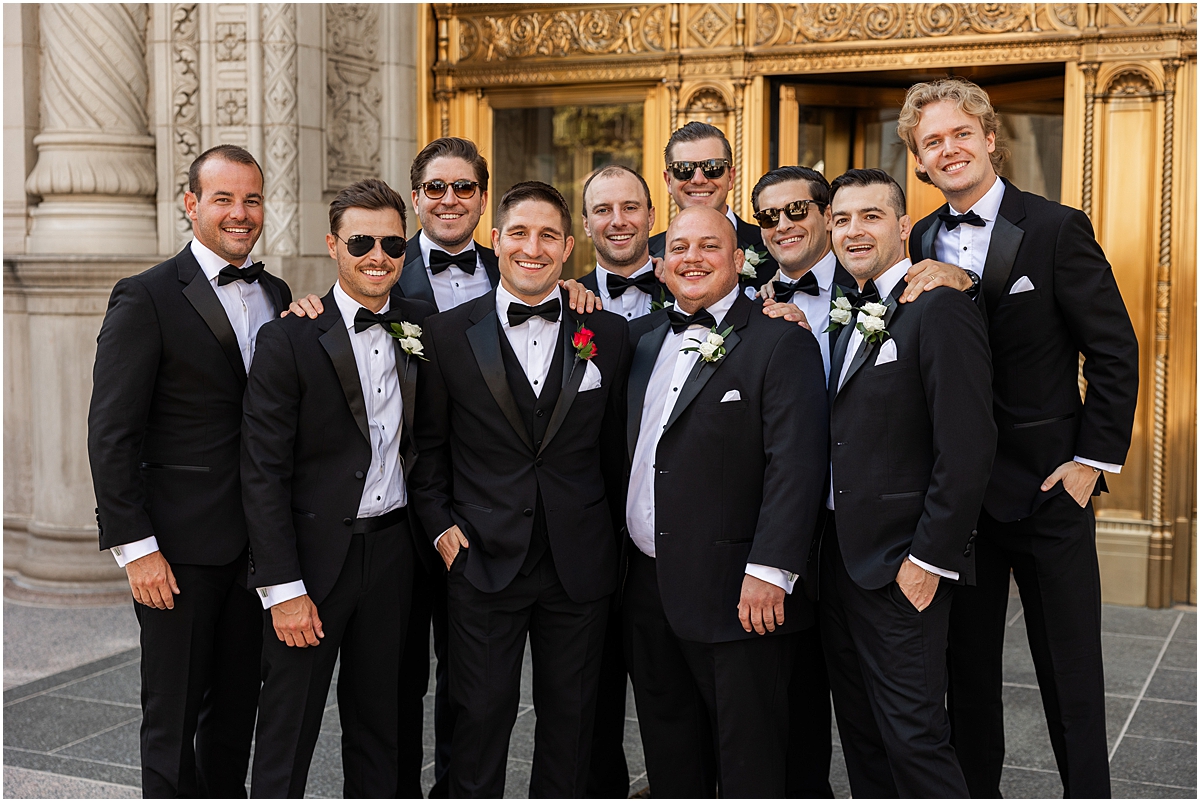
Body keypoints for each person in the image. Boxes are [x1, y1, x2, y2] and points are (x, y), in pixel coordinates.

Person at [899, 78, 1139, 798]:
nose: (949, 149)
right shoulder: (917, 237)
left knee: (1070, 675)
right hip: (961, 504)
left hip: (1047, 492)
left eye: (960, 134)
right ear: (918, 158)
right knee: (966, 679)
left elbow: (1114, 352)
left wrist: (1088, 466)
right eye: (932, 141)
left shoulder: (1058, 228)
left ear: (990, 137)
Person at [409, 181, 632, 797]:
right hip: (481, 555)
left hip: (579, 562)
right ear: (496, 240)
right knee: (478, 719)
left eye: (548, 236)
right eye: (519, 233)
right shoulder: (447, 334)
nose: (532, 247)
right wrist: (440, 529)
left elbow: (616, 449)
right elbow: (427, 448)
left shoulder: (607, 334)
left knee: (573, 723)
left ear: (568, 248)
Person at [88, 144, 291, 797]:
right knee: (171, 723)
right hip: (175, 553)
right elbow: (112, 433)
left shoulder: (277, 293)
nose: (240, 213)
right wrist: (137, 550)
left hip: (255, 549)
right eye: (224, 198)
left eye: (252, 199)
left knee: (234, 719)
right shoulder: (145, 297)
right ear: (191, 204)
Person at [622, 205, 828, 797]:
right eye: (680, 247)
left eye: (709, 247)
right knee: (669, 749)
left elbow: (797, 463)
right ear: (660, 265)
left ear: (739, 260)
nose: (693, 258)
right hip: (648, 586)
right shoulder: (641, 340)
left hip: (738, 591)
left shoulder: (779, 340)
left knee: (749, 759)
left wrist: (770, 569)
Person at [241, 179, 433, 797]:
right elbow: (262, 471)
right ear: (333, 245)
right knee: (287, 726)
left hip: (395, 553)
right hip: (312, 561)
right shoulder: (289, 337)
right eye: (361, 242)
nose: (378, 256)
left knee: (385, 722)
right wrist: (282, 587)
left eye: (392, 243)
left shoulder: (426, 328)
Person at [820, 168, 995, 797]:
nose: (853, 230)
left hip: (903, 565)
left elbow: (968, 448)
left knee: (916, 739)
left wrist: (929, 559)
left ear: (902, 226)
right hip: (841, 562)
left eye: (870, 216)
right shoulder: (852, 308)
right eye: (841, 220)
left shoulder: (940, 309)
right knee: (863, 736)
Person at [750, 165, 855, 798]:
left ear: (825, 215)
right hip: (771, 523)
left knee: (872, 699)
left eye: (798, 211)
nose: (784, 225)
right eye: (769, 217)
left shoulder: (874, 284)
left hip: (853, 522)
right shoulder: (743, 294)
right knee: (783, 691)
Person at [648, 122, 777, 294]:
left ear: (730, 177)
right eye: (684, 169)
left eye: (713, 168)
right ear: (669, 181)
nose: (698, 179)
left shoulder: (773, 249)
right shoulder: (647, 257)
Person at [577, 164, 672, 319]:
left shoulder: (683, 293)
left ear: (650, 217)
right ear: (586, 224)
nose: (618, 221)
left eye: (630, 208)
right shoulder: (567, 302)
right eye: (603, 210)